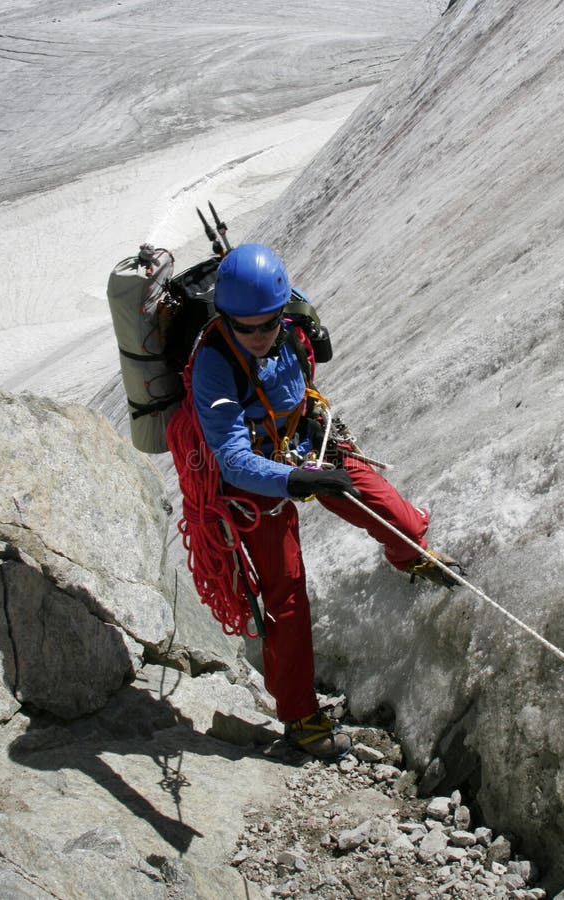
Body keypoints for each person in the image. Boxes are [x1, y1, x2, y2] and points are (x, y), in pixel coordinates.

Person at [192, 243, 461, 759]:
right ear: (224, 318)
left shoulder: (291, 313)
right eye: (245, 327)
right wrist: (296, 481)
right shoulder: (213, 364)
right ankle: (300, 717)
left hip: (308, 439)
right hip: (257, 479)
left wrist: (309, 469)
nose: (258, 336)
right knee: (286, 594)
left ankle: (411, 553)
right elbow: (230, 456)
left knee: (394, 512)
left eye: (267, 324)